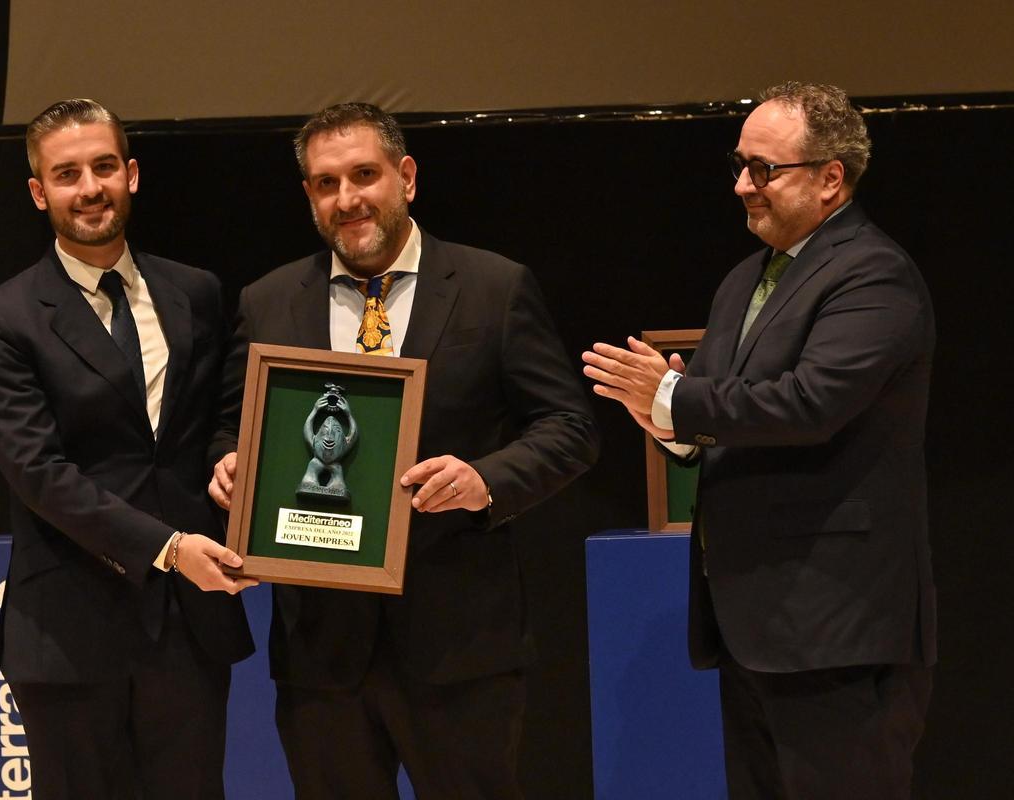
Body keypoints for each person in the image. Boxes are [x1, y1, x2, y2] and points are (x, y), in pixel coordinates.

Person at [209, 102, 598, 799]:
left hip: (459, 644)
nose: (347, 198)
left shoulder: (494, 287)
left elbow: (570, 427)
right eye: (326, 183)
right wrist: (229, 465)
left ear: (407, 177)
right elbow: (233, 427)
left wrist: (484, 479)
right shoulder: (268, 300)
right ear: (309, 195)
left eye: (364, 175)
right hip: (320, 652)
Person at [583, 81, 936, 799]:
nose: (743, 185)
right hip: (753, 623)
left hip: (835, 625)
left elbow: (811, 404)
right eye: (740, 165)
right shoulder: (745, 279)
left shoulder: (874, 273)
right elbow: (724, 411)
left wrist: (673, 398)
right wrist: (667, 425)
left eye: (764, 169)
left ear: (830, 178)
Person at [0, 98, 256, 799]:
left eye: (103, 167)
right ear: (39, 192)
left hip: (189, 625)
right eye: (67, 174)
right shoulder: (0, 319)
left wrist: (227, 455)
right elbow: (38, 472)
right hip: (70, 626)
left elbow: (217, 418)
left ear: (132, 174)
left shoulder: (195, 292)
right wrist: (169, 548)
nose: (89, 187)